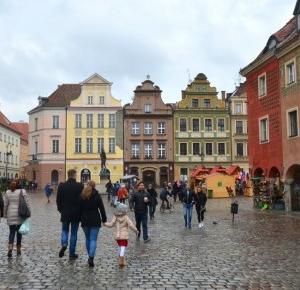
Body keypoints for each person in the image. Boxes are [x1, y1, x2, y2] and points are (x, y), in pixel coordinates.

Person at [56, 169, 84, 260]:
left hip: (65, 212)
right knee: (74, 233)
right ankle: (72, 254)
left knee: (64, 230)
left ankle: (64, 244)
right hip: (76, 213)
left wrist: (61, 210)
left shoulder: (62, 186)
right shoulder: (80, 186)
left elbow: (58, 200)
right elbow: (82, 200)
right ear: (75, 175)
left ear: (68, 175)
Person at [79, 180, 107, 267]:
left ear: (87, 185)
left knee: (88, 239)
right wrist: (104, 219)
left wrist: (79, 218)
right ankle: (91, 257)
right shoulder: (97, 195)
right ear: (94, 186)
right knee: (93, 239)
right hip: (95, 219)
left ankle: (90, 256)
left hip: (85, 219)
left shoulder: (82, 195)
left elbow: (79, 209)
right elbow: (101, 208)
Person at [104, 202, 138, 267]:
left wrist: (105, 224)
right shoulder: (126, 217)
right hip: (124, 235)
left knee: (120, 246)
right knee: (123, 247)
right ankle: (121, 260)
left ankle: (119, 259)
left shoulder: (115, 216)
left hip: (118, 235)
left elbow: (111, 224)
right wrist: (136, 230)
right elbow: (131, 225)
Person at [3, 180, 30, 258]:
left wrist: (5, 214)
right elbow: (27, 203)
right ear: (19, 185)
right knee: (19, 233)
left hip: (10, 214)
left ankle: (10, 249)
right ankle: (18, 250)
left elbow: (5, 205)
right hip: (20, 214)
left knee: (11, 233)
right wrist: (29, 212)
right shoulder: (22, 191)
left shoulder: (7, 192)